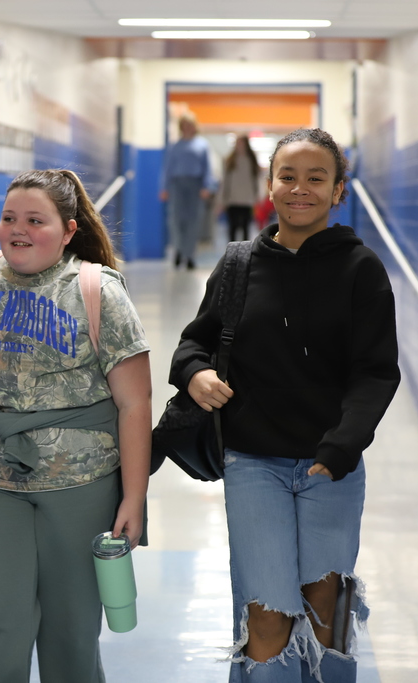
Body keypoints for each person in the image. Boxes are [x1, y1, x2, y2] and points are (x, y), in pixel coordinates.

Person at [168, 128, 400, 683]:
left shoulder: (360, 268)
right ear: (269, 186)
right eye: (288, 177)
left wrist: (343, 444)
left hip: (331, 470)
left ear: (338, 190)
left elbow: (376, 371)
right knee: (267, 621)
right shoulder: (239, 264)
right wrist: (195, 373)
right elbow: (193, 342)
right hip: (253, 464)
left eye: (316, 178)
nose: (301, 189)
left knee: (328, 622)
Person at [0, 169, 152, 683]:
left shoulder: (97, 290)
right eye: (9, 217)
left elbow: (136, 404)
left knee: (71, 631)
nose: (19, 229)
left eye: (36, 220)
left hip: (81, 485)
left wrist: (133, 498)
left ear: (69, 229)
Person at [159, 113, 216, 269]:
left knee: (193, 221)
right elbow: (168, 168)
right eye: (185, 124)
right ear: (181, 127)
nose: (187, 127)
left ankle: (190, 255)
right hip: (177, 185)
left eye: (190, 124)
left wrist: (207, 186)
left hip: (195, 185)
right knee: (177, 220)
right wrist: (164, 188)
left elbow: (207, 168)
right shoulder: (175, 146)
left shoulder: (202, 144)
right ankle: (178, 251)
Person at [217, 134, 260, 242]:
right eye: (237, 143)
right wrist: (222, 200)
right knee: (232, 228)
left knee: (246, 228)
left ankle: (244, 253)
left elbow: (256, 181)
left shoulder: (252, 161)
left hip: (247, 200)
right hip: (232, 200)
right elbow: (225, 182)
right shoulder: (230, 161)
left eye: (241, 143)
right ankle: (232, 252)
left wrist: (257, 197)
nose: (239, 146)